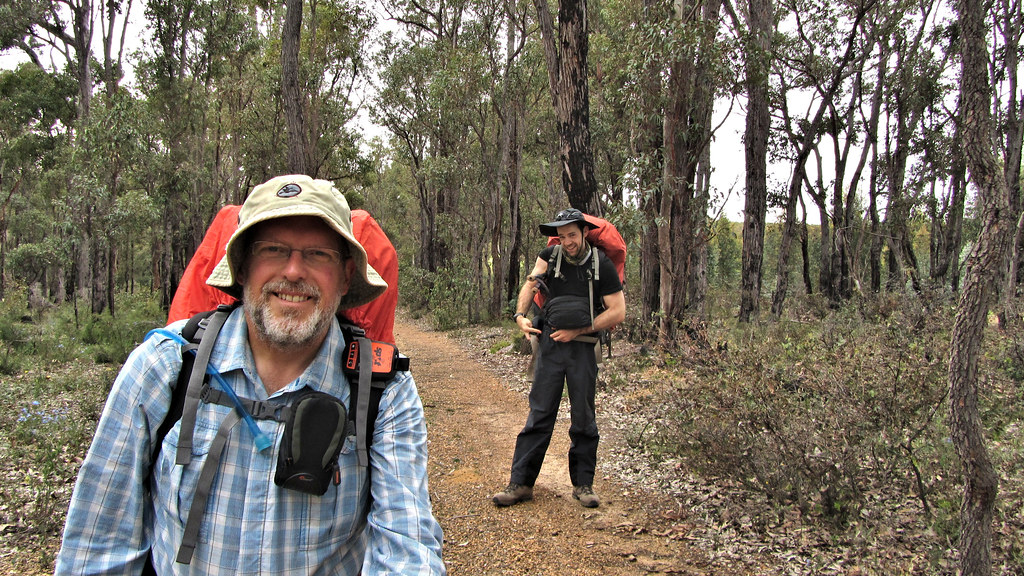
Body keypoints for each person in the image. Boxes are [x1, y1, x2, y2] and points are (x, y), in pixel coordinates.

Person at [55, 175, 446, 575]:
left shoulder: (382, 391)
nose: (294, 271)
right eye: (273, 250)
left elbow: (407, 547)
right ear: (242, 268)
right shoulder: (164, 365)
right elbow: (99, 544)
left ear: (346, 277)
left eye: (318, 254)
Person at [493, 208, 626, 509]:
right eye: (562, 236)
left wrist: (579, 329)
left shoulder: (600, 264)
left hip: (583, 347)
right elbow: (530, 283)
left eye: (573, 235)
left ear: (584, 232)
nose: (568, 241)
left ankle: (583, 485)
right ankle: (521, 484)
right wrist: (519, 315)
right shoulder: (549, 256)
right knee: (539, 413)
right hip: (550, 345)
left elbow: (618, 311)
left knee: (583, 417)